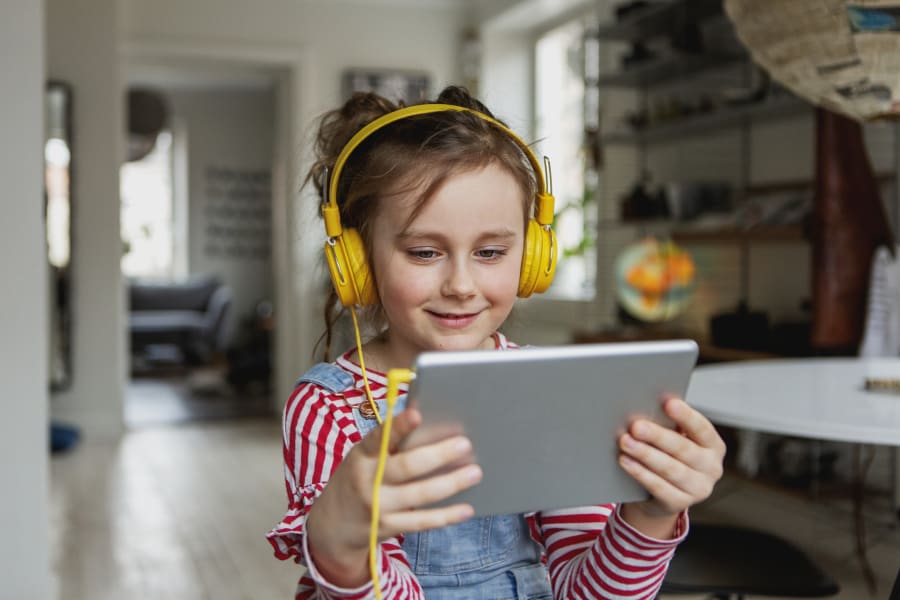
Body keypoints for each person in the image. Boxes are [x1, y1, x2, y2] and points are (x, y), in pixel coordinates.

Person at [267, 85, 726, 599]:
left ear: (532, 258)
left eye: (490, 252)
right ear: (357, 263)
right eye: (423, 252)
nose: (461, 285)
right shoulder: (327, 408)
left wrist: (651, 513)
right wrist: (342, 546)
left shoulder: (552, 392)